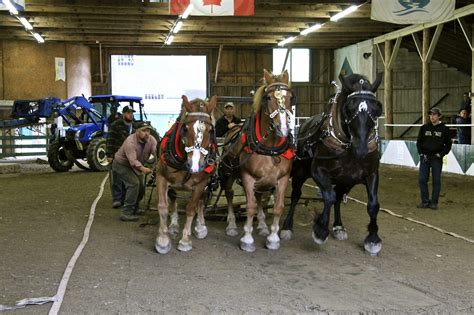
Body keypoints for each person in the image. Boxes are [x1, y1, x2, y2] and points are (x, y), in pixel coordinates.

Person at [112, 121, 157, 221]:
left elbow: (156, 152)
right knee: (134, 184)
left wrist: (158, 164)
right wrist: (143, 169)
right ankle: (126, 212)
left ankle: (135, 208)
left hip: (135, 165)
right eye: (143, 131)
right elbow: (133, 161)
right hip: (121, 165)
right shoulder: (130, 142)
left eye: (148, 130)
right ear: (137, 131)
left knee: (141, 186)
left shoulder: (151, 140)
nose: (147, 133)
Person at [416, 107, 452, 210]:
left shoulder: (444, 129)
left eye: (434, 115)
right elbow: (419, 141)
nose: (432, 117)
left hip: (436, 158)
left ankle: (434, 202)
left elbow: (448, 144)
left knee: (436, 180)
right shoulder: (424, 128)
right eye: (431, 115)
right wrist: (421, 153)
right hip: (425, 157)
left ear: (439, 116)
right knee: (422, 180)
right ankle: (425, 201)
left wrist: (441, 154)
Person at [106, 106, 136, 208]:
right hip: (117, 156)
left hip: (130, 157)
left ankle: (125, 198)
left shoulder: (135, 126)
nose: (130, 114)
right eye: (128, 112)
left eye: (132, 112)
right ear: (123, 114)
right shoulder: (115, 125)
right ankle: (117, 199)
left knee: (128, 179)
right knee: (117, 178)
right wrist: (109, 155)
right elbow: (110, 139)